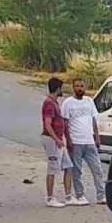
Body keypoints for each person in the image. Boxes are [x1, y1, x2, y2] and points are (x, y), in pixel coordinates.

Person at [61, 78, 106, 206]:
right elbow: (65, 123)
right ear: (73, 87)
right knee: (77, 171)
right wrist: (68, 140)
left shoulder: (89, 101)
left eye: (81, 86)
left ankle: (101, 195)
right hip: (76, 141)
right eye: (77, 86)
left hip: (89, 141)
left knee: (97, 169)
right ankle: (80, 195)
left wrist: (97, 137)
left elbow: (94, 120)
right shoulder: (68, 103)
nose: (79, 88)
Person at [40, 77, 73, 208]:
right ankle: (50, 198)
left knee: (68, 166)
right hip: (51, 139)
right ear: (57, 89)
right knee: (52, 168)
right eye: (61, 88)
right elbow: (48, 124)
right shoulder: (49, 103)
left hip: (58, 139)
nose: (62, 91)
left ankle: (68, 196)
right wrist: (57, 139)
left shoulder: (54, 103)